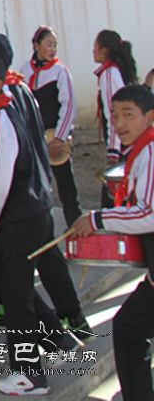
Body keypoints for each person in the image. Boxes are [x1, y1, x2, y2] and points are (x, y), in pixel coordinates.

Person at [0, 32, 91, 340]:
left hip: (17, 197)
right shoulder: (22, 87)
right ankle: (74, 319)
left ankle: (50, 333)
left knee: (10, 276)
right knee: (49, 261)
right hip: (38, 188)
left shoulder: (3, 99)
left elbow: (6, 158)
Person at [0, 51, 55, 396]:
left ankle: (30, 376)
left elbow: (1, 178)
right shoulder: (5, 110)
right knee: (20, 292)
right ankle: (58, 342)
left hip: (19, 218)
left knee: (16, 301)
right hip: (33, 212)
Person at [69, 84, 154, 401]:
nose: (119, 123)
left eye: (128, 115)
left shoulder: (150, 152)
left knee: (129, 328)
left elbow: (149, 213)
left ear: (150, 117)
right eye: (115, 115)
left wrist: (98, 219)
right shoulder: (143, 151)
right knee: (129, 328)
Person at [22, 25, 81, 225]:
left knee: (66, 186)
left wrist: (59, 138)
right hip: (34, 139)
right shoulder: (24, 71)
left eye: (55, 45)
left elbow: (69, 104)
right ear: (36, 45)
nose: (53, 49)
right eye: (49, 44)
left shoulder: (60, 71)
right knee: (37, 187)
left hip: (54, 138)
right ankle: (41, 229)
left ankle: (75, 227)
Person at [94, 29, 139, 172]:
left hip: (123, 142)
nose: (93, 51)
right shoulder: (117, 70)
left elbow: (114, 114)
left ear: (104, 51)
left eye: (95, 47)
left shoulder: (109, 74)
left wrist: (113, 150)